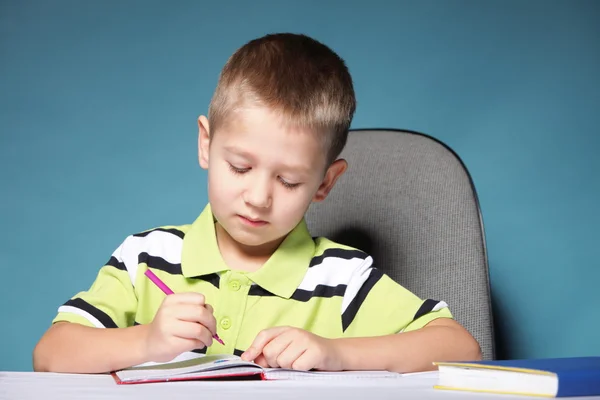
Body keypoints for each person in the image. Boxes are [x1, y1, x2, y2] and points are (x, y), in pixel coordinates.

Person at [33, 33, 481, 374]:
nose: (258, 197)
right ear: (206, 144)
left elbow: (461, 347)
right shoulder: (146, 259)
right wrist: (147, 341)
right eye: (241, 168)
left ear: (325, 183)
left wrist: (334, 351)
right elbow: (50, 354)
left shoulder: (340, 278)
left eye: (288, 180)